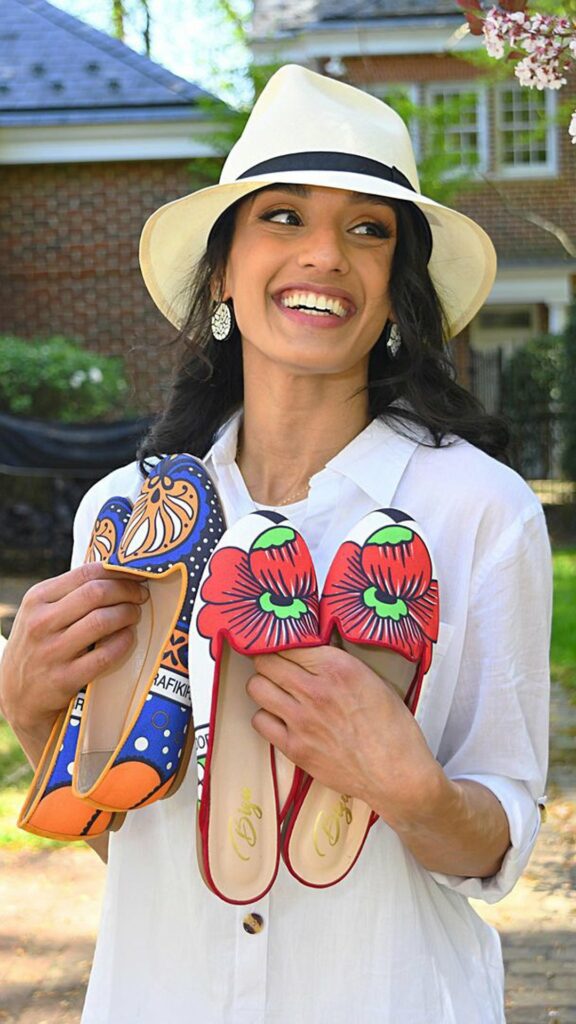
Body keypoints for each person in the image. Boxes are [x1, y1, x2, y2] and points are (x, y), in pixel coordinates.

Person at [0, 65, 551, 1023]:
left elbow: (494, 843)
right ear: (222, 268)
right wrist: (30, 718)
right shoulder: (127, 518)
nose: (326, 254)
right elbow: (124, 834)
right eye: (284, 217)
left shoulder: (479, 512)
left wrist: (413, 791)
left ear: (396, 290)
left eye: (368, 229)